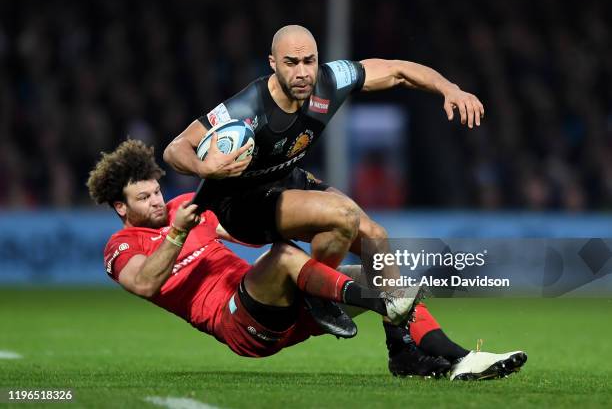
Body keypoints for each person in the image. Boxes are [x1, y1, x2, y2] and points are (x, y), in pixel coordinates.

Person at [163, 25, 525, 379]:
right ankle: (317, 294)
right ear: (272, 63)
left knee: (376, 239)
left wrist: (449, 89)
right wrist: (203, 165)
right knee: (343, 216)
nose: (303, 72)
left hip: (287, 183)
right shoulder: (249, 105)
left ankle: (403, 351)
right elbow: (175, 148)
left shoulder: (330, 80)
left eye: (310, 61)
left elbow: (398, 70)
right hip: (242, 203)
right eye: (291, 62)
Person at [87, 140, 450, 368]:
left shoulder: (184, 206)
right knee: (282, 257)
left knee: (381, 273)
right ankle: (378, 305)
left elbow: (253, 226)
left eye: (156, 192)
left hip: (277, 305)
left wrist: (325, 220)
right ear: (120, 207)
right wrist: (179, 231)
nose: (156, 202)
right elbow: (145, 283)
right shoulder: (123, 245)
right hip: (239, 324)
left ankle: (410, 353)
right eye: (144, 198)